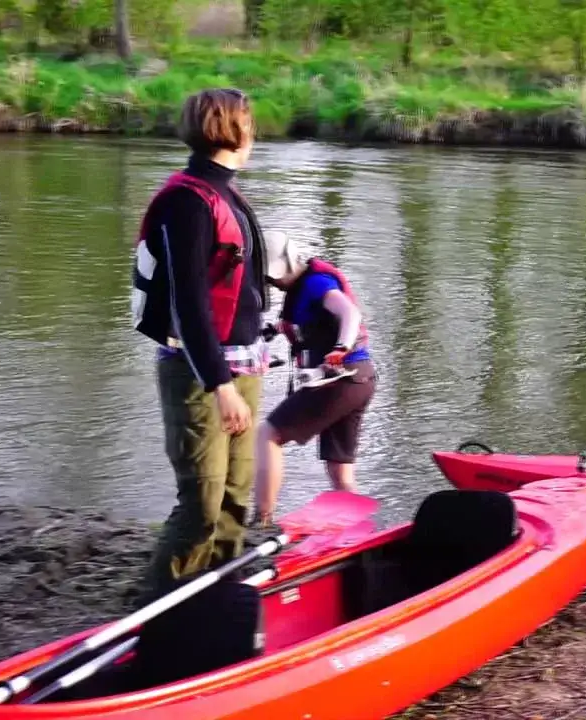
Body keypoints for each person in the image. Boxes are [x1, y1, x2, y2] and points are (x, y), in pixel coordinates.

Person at [130, 88, 269, 602]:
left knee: (235, 497)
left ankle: (219, 600)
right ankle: (161, 612)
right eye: (249, 123)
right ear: (232, 130)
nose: (255, 133)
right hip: (200, 373)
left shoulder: (227, 192)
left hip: (243, 365)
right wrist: (220, 385)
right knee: (203, 501)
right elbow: (189, 303)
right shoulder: (186, 200)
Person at [252, 231, 378, 526]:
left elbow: (349, 312)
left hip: (341, 378)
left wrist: (341, 347)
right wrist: (272, 330)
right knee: (340, 469)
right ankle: (362, 532)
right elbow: (310, 325)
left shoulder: (316, 283)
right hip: (361, 380)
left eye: (270, 278)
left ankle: (261, 522)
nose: (270, 283)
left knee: (267, 436)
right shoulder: (301, 290)